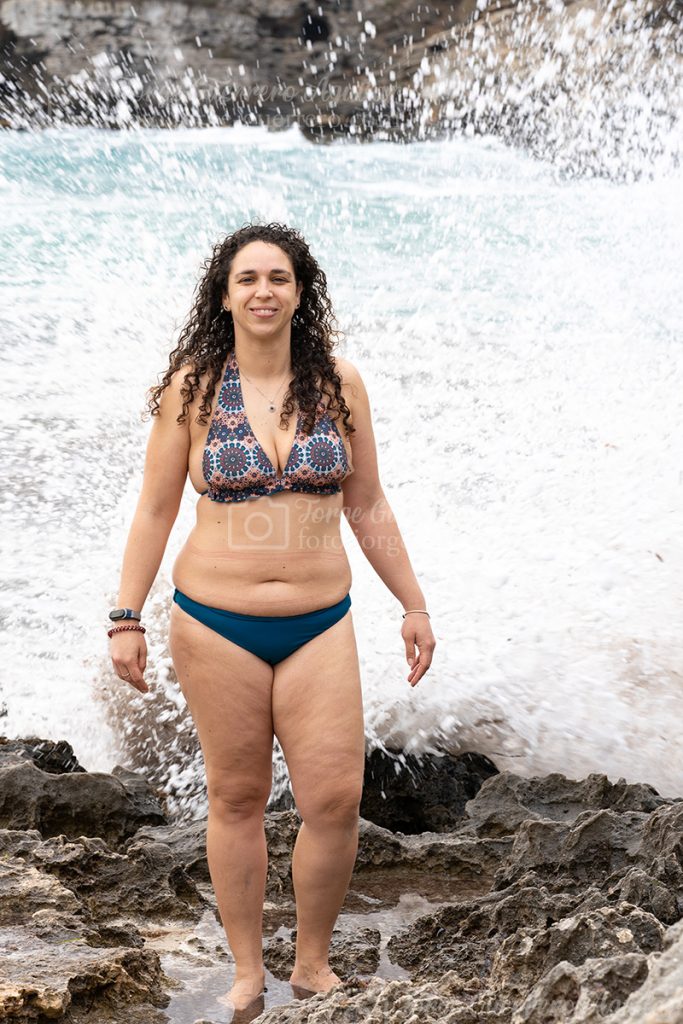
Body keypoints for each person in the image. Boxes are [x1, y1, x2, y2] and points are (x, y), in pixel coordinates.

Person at [108, 221, 436, 1014]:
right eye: (247, 279)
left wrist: (413, 602)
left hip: (320, 621)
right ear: (223, 296)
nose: (263, 291)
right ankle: (247, 970)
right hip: (214, 621)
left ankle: (312, 964)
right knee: (238, 797)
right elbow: (154, 509)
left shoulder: (339, 384)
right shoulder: (192, 388)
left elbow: (366, 502)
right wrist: (126, 616)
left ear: (299, 291)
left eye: (278, 278)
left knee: (334, 800)